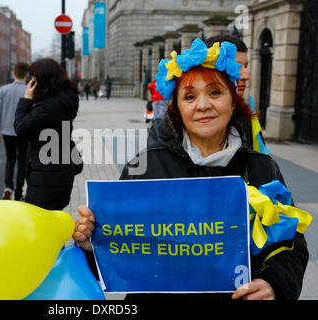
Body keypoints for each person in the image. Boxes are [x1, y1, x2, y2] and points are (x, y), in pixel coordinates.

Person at [73, 38, 309, 300]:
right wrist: (91, 247)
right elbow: (119, 255)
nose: (203, 105)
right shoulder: (145, 168)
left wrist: (274, 284)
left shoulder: (261, 167)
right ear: (178, 109)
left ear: (233, 103)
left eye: (215, 93)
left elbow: (290, 245)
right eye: (189, 96)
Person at [14, 58, 80, 210]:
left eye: (34, 78)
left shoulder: (47, 107)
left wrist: (26, 99)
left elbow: (21, 127)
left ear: (43, 80)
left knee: (41, 224)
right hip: (60, 173)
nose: (32, 82)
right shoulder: (66, 99)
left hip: (46, 178)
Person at [0, 63, 29, 200]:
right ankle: (19, 191)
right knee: (22, 161)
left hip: (7, 130)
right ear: (26, 74)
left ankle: (8, 187)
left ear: (14, 73)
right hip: (23, 131)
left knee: (10, 158)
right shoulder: (28, 90)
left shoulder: (4, 90)